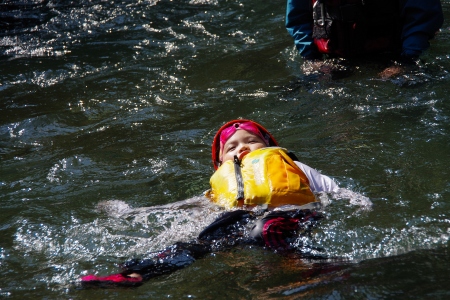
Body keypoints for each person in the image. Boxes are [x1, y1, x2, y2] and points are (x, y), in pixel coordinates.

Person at [80, 119, 367, 288]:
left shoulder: (293, 166)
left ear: (268, 146)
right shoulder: (219, 189)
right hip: (239, 226)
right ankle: (137, 273)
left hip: (291, 215)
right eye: (232, 147)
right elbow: (184, 206)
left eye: (251, 141)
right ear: (219, 164)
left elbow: (331, 188)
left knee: (269, 227)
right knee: (198, 243)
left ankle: (315, 265)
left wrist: (355, 199)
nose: (242, 147)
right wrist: (131, 211)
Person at [286, 0, 444, 78]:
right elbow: (298, 18)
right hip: (333, 57)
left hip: (394, 52)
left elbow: (422, 17)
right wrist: (311, 59)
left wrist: (407, 61)